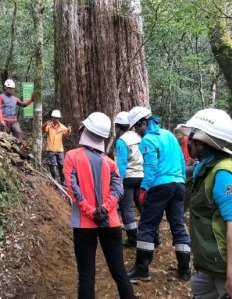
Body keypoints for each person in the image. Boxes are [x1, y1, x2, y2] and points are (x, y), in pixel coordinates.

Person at [174, 108, 232, 299]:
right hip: (212, 265)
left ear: (204, 142)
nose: (189, 143)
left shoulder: (223, 175)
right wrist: (203, 264)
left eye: (193, 138)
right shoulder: (206, 169)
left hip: (229, 267)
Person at [64, 112, 136, 299]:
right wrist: (104, 208)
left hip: (84, 225)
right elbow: (118, 190)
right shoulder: (110, 163)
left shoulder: (72, 156)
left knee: (86, 276)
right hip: (110, 223)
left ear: (85, 131)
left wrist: (91, 211)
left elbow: (74, 190)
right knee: (120, 273)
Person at [126, 106, 191, 282]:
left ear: (143, 123)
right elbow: (180, 160)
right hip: (178, 185)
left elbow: (151, 167)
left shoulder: (148, 140)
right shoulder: (169, 135)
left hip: (160, 186)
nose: (136, 131)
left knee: (147, 226)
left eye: (136, 127)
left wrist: (144, 188)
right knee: (178, 225)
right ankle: (184, 270)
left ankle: (142, 269)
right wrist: (182, 180)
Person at [113, 111, 143, 247]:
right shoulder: (139, 137)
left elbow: (122, 164)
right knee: (142, 205)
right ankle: (153, 234)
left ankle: (133, 238)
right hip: (142, 176)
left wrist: (118, 181)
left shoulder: (122, 141)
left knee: (127, 208)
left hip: (129, 178)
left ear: (118, 126)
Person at [0, 79, 33, 144]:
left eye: (12, 88)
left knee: (18, 131)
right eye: (10, 88)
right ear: (6, 88)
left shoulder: (14, 98)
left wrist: (32, 99)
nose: (11, 90)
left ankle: (21, 148)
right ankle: (7, 152)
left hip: (13, 120)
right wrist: (1, 120)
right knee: (4, 138)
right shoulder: (0, 97)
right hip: (4, 120)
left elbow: (23, 104)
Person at [41, 109, 71, 186]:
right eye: (55, 118)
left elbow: (66, 133)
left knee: (61, 166)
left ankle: (62, 181)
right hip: (51, 149)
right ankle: (54, 181)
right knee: (53, 166)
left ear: (59, 119)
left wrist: (69, 130)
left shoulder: (62, 127)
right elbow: (43, 130)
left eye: (57, 118)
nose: (56, 119)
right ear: (52, 118)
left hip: (59, 149)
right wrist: (44, 124)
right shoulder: (49, 125)